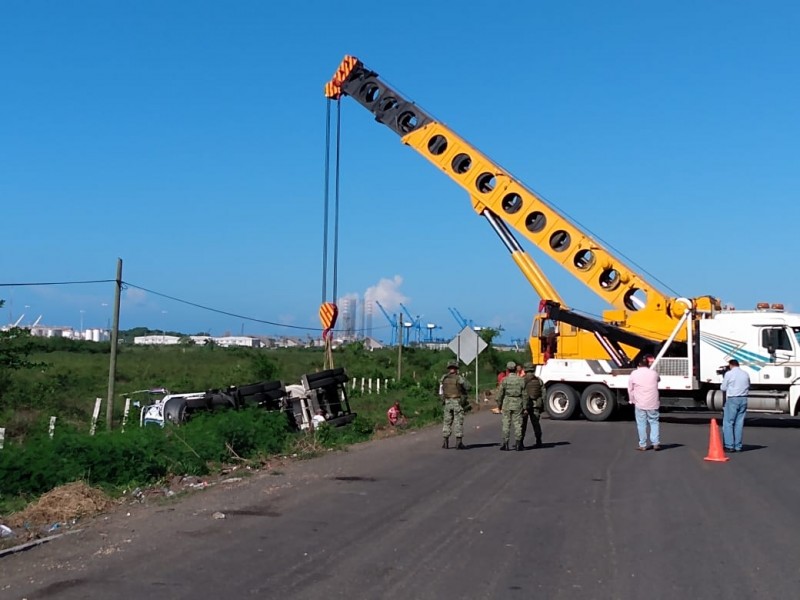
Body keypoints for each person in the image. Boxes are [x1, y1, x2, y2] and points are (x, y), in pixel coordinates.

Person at [628, 354, 661, 451]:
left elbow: (630, 389)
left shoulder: (634, 373)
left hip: (640, 403)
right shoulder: (654, 373)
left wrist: (632, 400)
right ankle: (655, 443)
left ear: (638, 364)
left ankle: (642, 445)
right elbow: (658, 379)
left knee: (641, 423)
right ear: (648, 364)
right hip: (653, 402)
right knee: (654, 422)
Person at [439, 360, 470, 449]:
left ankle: (445, 441)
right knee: (458, 422)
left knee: (447, 422)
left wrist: (443, 400)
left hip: (447, 401)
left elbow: (440, 391)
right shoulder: (459, 378)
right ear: (456, 368)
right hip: (457, 402)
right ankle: (458, 442)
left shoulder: (443, 378)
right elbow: (468, 387)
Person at [721, 359, 750, 452]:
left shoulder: (729, 374)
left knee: (728, 422)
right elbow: (748, 385)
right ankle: (738, 446)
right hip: (744, 399)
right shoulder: (745, 374)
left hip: (733, 398)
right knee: (739, 423)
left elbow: (723, 388)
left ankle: (729, 445)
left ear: (730, 365)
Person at [496, 361, 525, 451]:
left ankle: (505, 444)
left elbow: (500, 394)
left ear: (507, 369)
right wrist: (525, 406)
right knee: (518, 424)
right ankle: (518, 444)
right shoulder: (521, 380)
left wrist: (499, 405)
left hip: (507, 403)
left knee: (506, 424)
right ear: (516, 369)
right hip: (518, 403)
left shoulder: (504, 380)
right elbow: (525, 394)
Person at [521, 362, 544, 448]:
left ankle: (521, 442)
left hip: (525, 406)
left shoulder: (522, 380)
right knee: (536, 424)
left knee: (522, 425)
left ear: (525, 369)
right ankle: (538, 441)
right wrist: (543, 406)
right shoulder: (538, 380)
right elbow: (543, 394)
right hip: (536, 405)